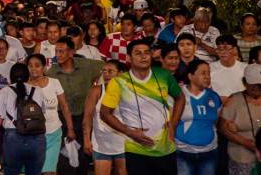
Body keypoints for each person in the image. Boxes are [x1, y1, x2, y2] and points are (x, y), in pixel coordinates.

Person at [99, 38, 185, 175]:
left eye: (147, 52)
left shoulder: (164, 75)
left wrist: (173, 124)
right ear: (128, 58)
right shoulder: (119, 82)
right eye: (138, 53)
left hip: (166, 149)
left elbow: (180, 98)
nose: (143, 56)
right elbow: (104, 113)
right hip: (135, 149)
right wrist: (129, 132)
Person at [0, 62, 46, 175]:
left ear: (11, 77)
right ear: (28, 76)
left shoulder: (5, 91)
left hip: (13, 139)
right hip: (37, 138)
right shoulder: (38, 90)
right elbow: (42, 114)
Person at [26, 54, 75, 175]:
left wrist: (70, 129)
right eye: (30, 66)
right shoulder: (24, 86)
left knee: (50, 171)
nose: (33, 69)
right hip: (33, 136)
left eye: (37, 65)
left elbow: (64, 107)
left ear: (44, 67)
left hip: (54, 133)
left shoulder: (54, 82)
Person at [174, 60, 222, 175]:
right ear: (190, 76)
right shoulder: (178, 94)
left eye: (208, 73)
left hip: (209, 152)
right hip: (183, 152)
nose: (207, 77)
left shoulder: (214, 97)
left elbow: (216, 121)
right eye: (203, 73)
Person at [82, 60, 127, 175]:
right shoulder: (96, 91)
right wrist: (86, 140)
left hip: (124, 143)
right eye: (104, 71)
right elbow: (87, 117)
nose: (106, 74)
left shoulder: (129, 92)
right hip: (101, 143)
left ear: (120, 74)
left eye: (110, 71)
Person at [219, 63, 261, 175]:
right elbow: (223, 128)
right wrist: (246, 143)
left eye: (259, 84)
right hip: (242, 158)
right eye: (253, 84)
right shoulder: (234, 100)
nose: (256, 87)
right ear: (244, 82)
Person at [209, 34, 246, 103]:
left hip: (241, 106)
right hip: (218, 107)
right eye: (219, 49)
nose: (222, 52)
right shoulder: (209, 68)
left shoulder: (245, 68)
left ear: (235, 49)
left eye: (226, 48)